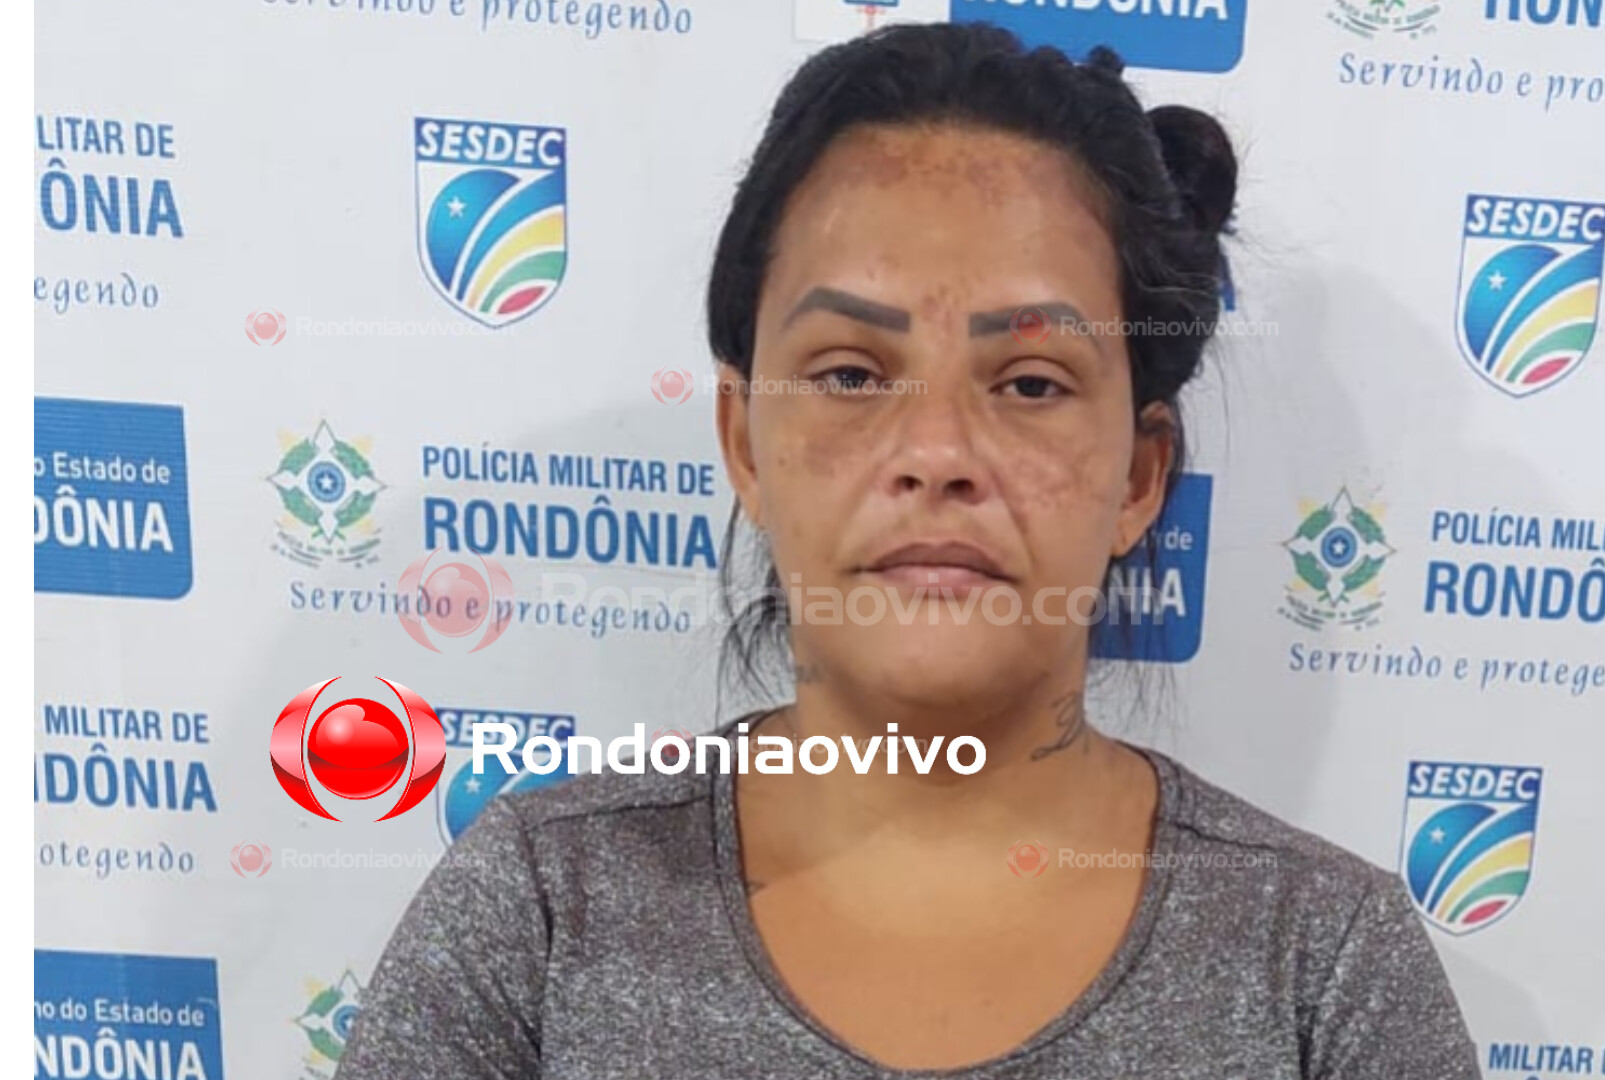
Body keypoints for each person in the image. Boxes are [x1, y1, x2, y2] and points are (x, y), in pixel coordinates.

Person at [337, 22, 1481, 1079]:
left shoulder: (1324, 970)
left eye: (1030, 383)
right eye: (850, 373)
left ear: (1140, 477)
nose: (937, 453)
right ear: (744, 441)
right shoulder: (541, 913)